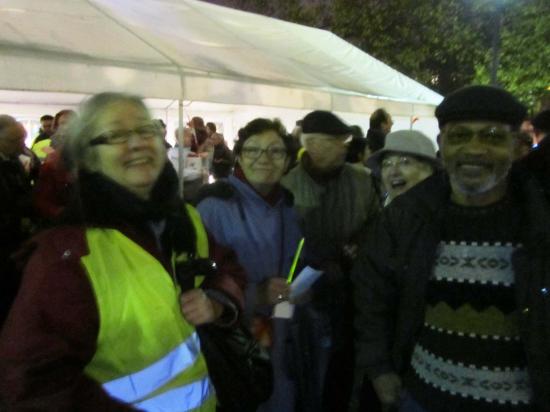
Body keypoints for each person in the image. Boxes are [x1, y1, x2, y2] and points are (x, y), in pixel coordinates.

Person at [0, 92, 245, 411]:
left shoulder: (185, 219)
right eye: (115, 135)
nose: (138, 143)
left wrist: (217, 302)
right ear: (87, 158)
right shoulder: (68, 255)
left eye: (146, 130)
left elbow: (229, 270)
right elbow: (32, 385)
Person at [352, 85, 550, 411]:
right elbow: (373, 296)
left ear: (517, 147)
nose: (474, 148)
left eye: (491, 136)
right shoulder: (408, 217)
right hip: (423, 397)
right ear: (442, 147)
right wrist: (380, 369)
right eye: (459, 136)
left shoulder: (540, 219)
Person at [197, 118, 302, 412]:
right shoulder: (213, 207)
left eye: (275, 152)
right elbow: (199, 284)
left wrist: (301, 291)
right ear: (239, 156)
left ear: (288, 161)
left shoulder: (289, 208)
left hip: (281, 334)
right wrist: (257, 294)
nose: (263, 159)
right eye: (253, 150)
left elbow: (295, 264)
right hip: (231, 339)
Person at [282, 110, 380, 411]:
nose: (344, 147)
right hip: (300, 296)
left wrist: (361, 244)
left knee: (342, 367)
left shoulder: (362, 181)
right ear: (311, 144)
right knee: (300, 366)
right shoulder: (287, 186)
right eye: (336, 141)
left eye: (345, 140)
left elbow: (377, 223)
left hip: (348, 294)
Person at [0, 115, 34, 327]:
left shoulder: (13, 162)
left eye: (22, 140)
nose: (22, 146)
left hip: (15, 238)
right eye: (14, 141)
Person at [367, 130, 440, 205]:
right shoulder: (386, 212)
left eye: (404, 162)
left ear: (429, 170)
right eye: (387, 164)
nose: (393, 172)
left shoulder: (444, 213)